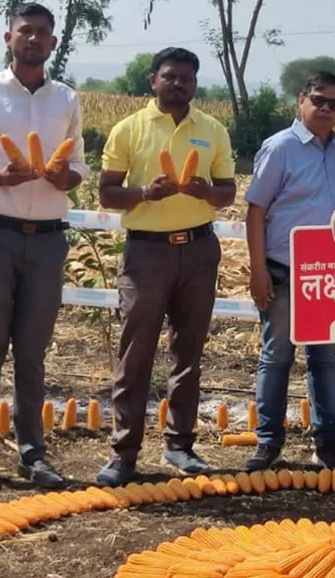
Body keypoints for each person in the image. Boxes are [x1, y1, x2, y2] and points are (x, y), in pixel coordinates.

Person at [0, 3, 87, 491]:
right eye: (24, 31)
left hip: (48, 242)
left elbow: (78, 173)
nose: (33, 39)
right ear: (8, 38)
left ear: (52, 43)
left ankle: (34, 454)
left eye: (42, 33)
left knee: (32, 352)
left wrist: (62, 174)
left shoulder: (65, 98)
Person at [94, 47, 237, 487]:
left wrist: (207, 192)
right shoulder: (129, 129)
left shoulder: (211, 129)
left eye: (187, 78)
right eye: (170, 76)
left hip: (197, 250)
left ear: (195, 84)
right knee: (136, 354)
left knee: (188, 353)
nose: (179, 84)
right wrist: (143, 194)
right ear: (153, 80)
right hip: (147, 254)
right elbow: (105, 193)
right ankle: (124, 453)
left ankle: (180, 445)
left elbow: (229, 191)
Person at [243, 71, 335, 473]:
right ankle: (268, 441)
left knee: (324, 360)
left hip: (327, 275)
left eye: (334, 103)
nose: (325, 109)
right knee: (277, 357)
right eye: (318, 100)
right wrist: (258, 270)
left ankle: (328, 443)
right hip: (284, 270)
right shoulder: (281, 147)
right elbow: (255, 210)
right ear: (300, 101)